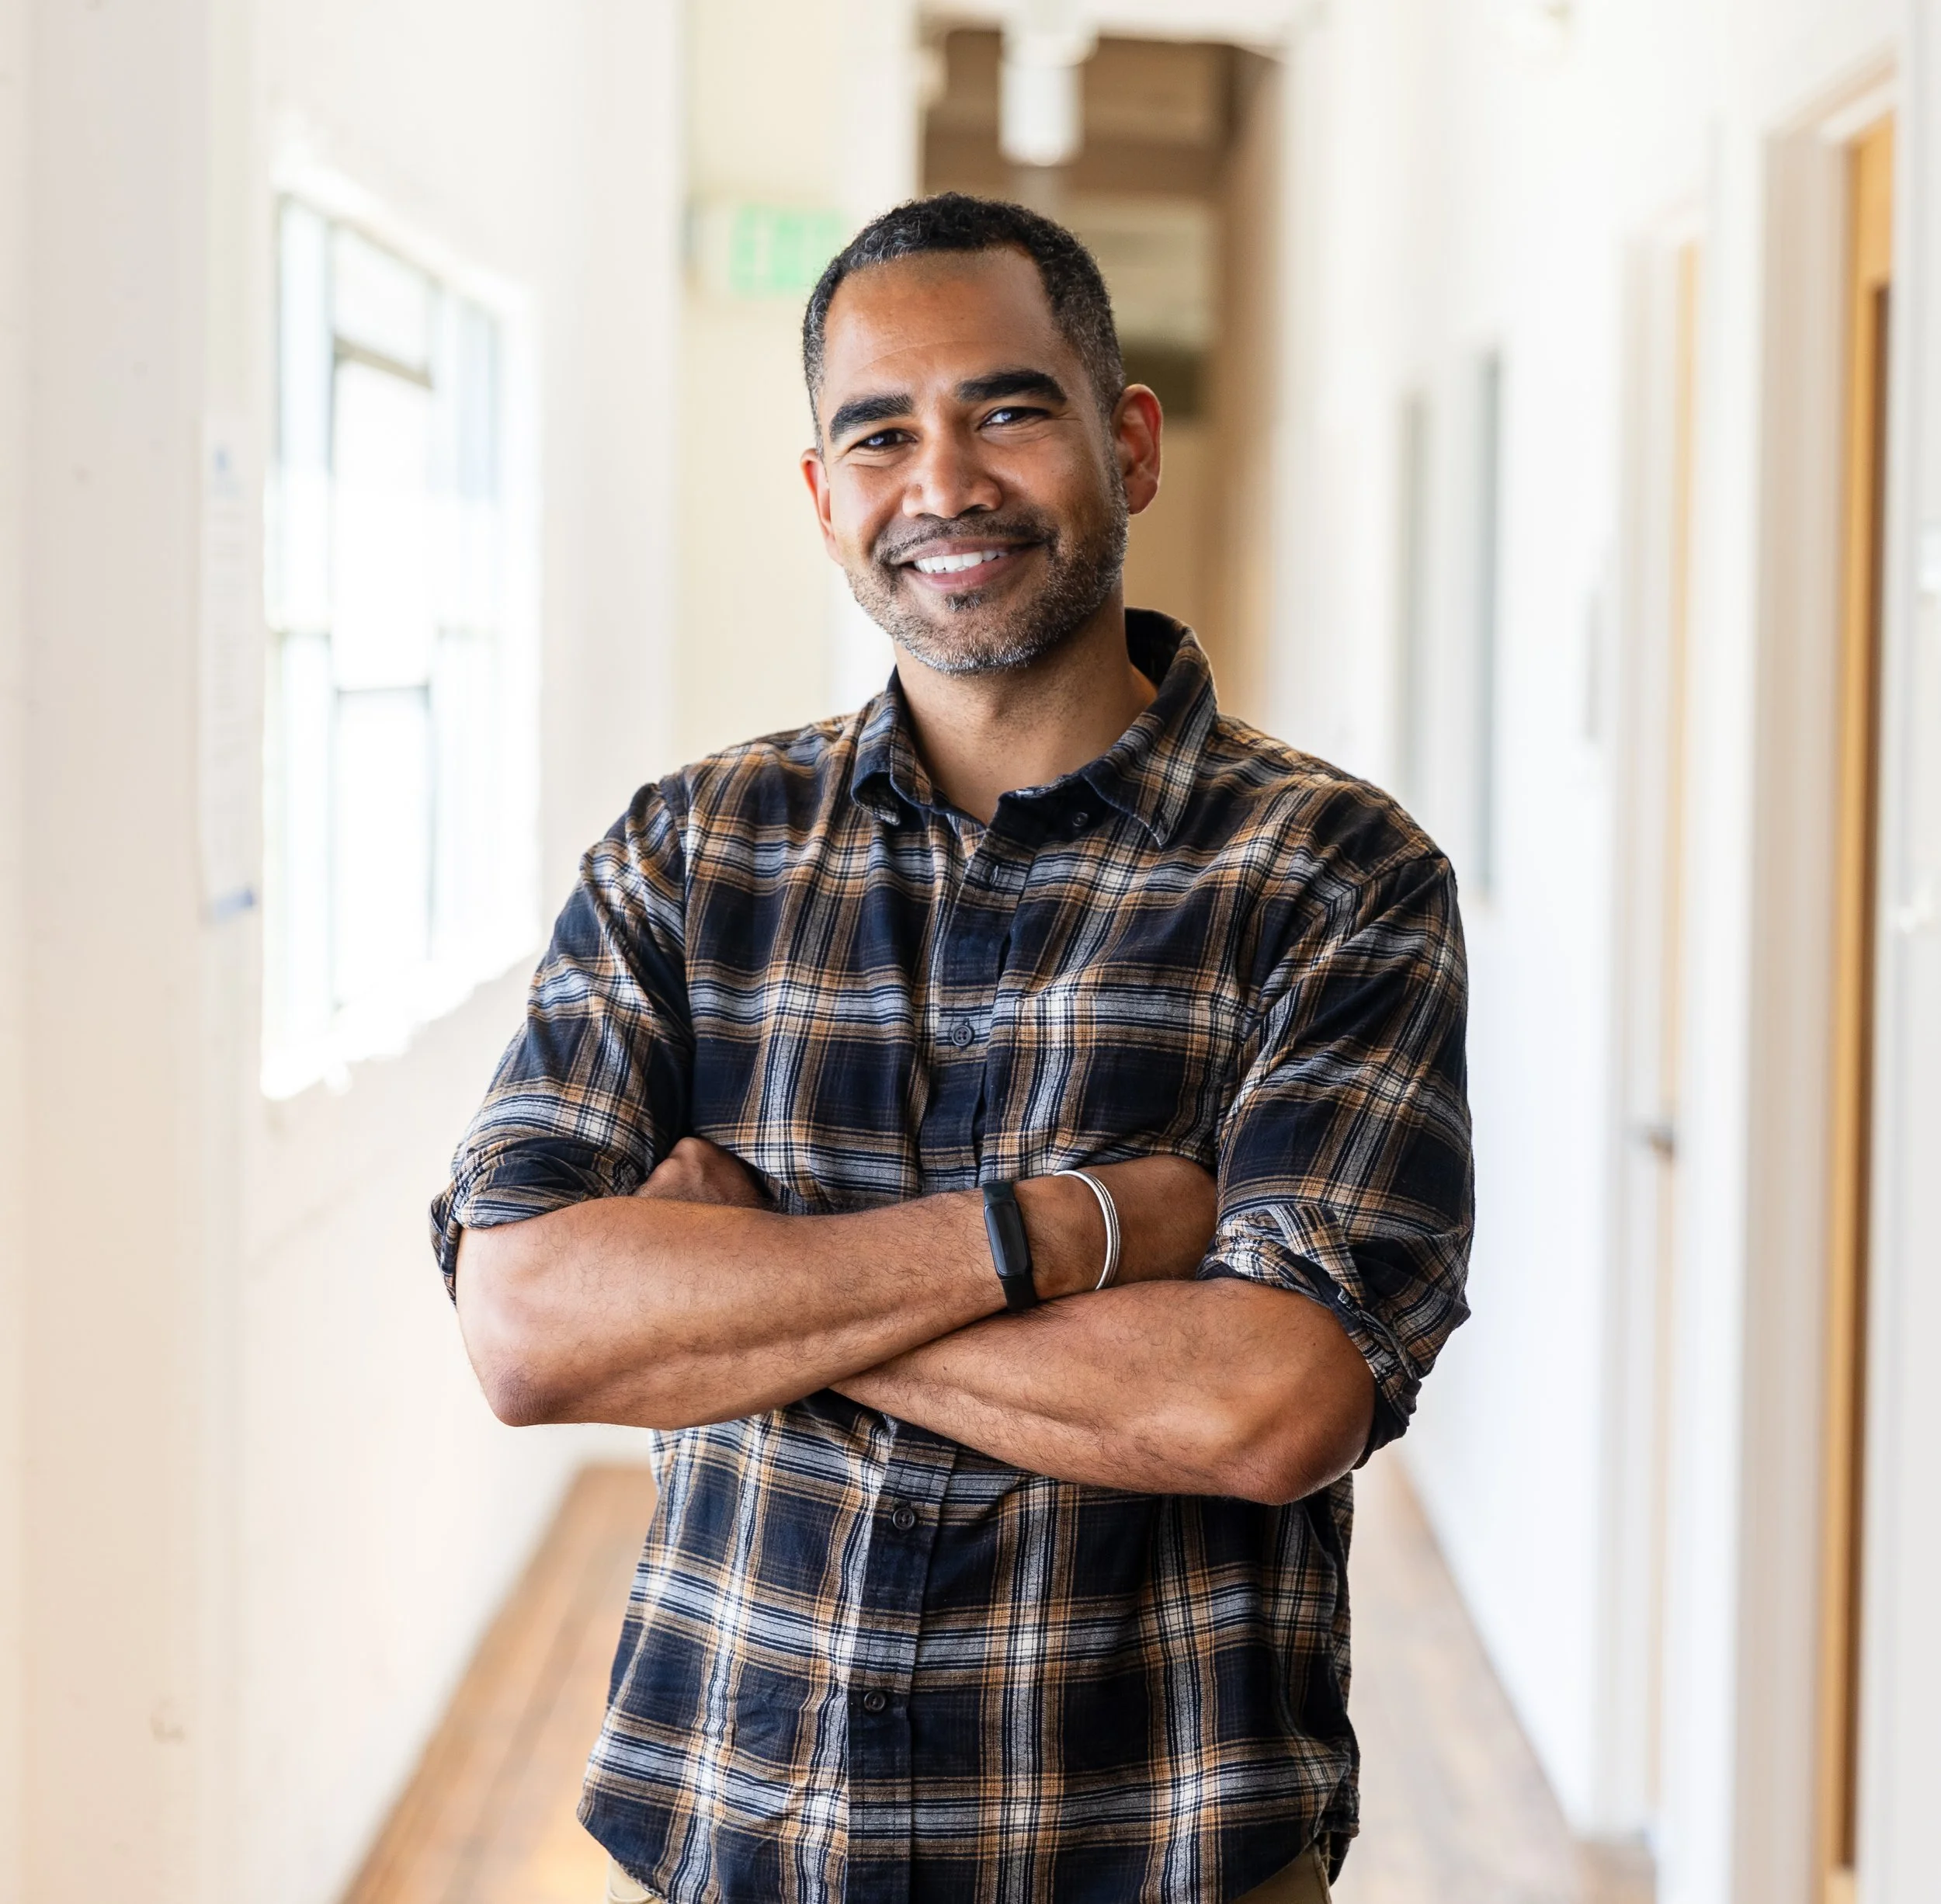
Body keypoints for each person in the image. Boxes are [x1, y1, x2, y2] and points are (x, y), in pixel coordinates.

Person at [432, 192, 1472, 1904]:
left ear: (1125, 442)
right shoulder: (689, 855)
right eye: (877, 433)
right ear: (822, 497)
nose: (944, 483)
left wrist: (733, 1283)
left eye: (1005, 408)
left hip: (1161, 1853)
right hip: (734, 1833)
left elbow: (1270, 1398)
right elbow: (530, 1327)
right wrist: (1061, 1234)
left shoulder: (1331, 881)